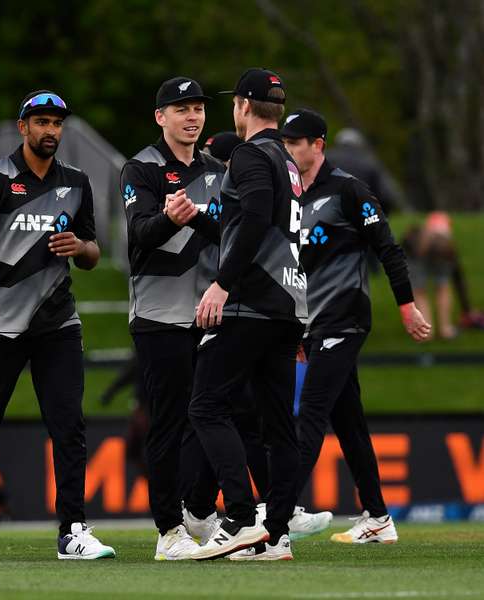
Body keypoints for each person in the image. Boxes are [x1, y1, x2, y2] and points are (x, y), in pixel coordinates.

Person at [0, 90, 115, 561]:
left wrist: (80, 247)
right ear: (23, 127)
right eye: (42, 122)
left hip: (56, 321)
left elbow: (92, 253)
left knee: (69, 425)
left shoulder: (76, 182)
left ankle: (73, 529)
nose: (51, 130)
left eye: (57, 123)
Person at [281, 108, 430, 545]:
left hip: (344, 318)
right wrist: (297, 328)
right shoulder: (291, 197)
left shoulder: (349, 190)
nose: (288, 151)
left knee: (309, 412)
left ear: (318, 145)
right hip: (312, 323)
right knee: (349, 422)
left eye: (295, 143)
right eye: (284, 143)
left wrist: (407, 307)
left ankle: (278, 512)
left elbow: (389, 249)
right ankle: (379, 518)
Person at [188, 69, 306, 561]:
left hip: (250, 301)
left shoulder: (251, 154)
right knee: (277, 425)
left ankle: (238, 516)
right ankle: (275, 535)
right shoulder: (288, 159)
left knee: (206, 406)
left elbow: (255, 217)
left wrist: (221, 283)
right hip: (286, 303)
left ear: (241, 106)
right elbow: (256, 218)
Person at [120, 76, 226, 559]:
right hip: (160, 315)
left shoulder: (214, 169)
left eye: (198, 108)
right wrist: (171, 218)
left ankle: (198, 511)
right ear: (160, 116)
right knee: (166, 422)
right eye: (181, 108)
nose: (192, 116)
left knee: (218, 413)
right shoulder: (140, 168)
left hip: (210, 313)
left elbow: (230, 232)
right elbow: (140, 234)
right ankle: (168, 532)